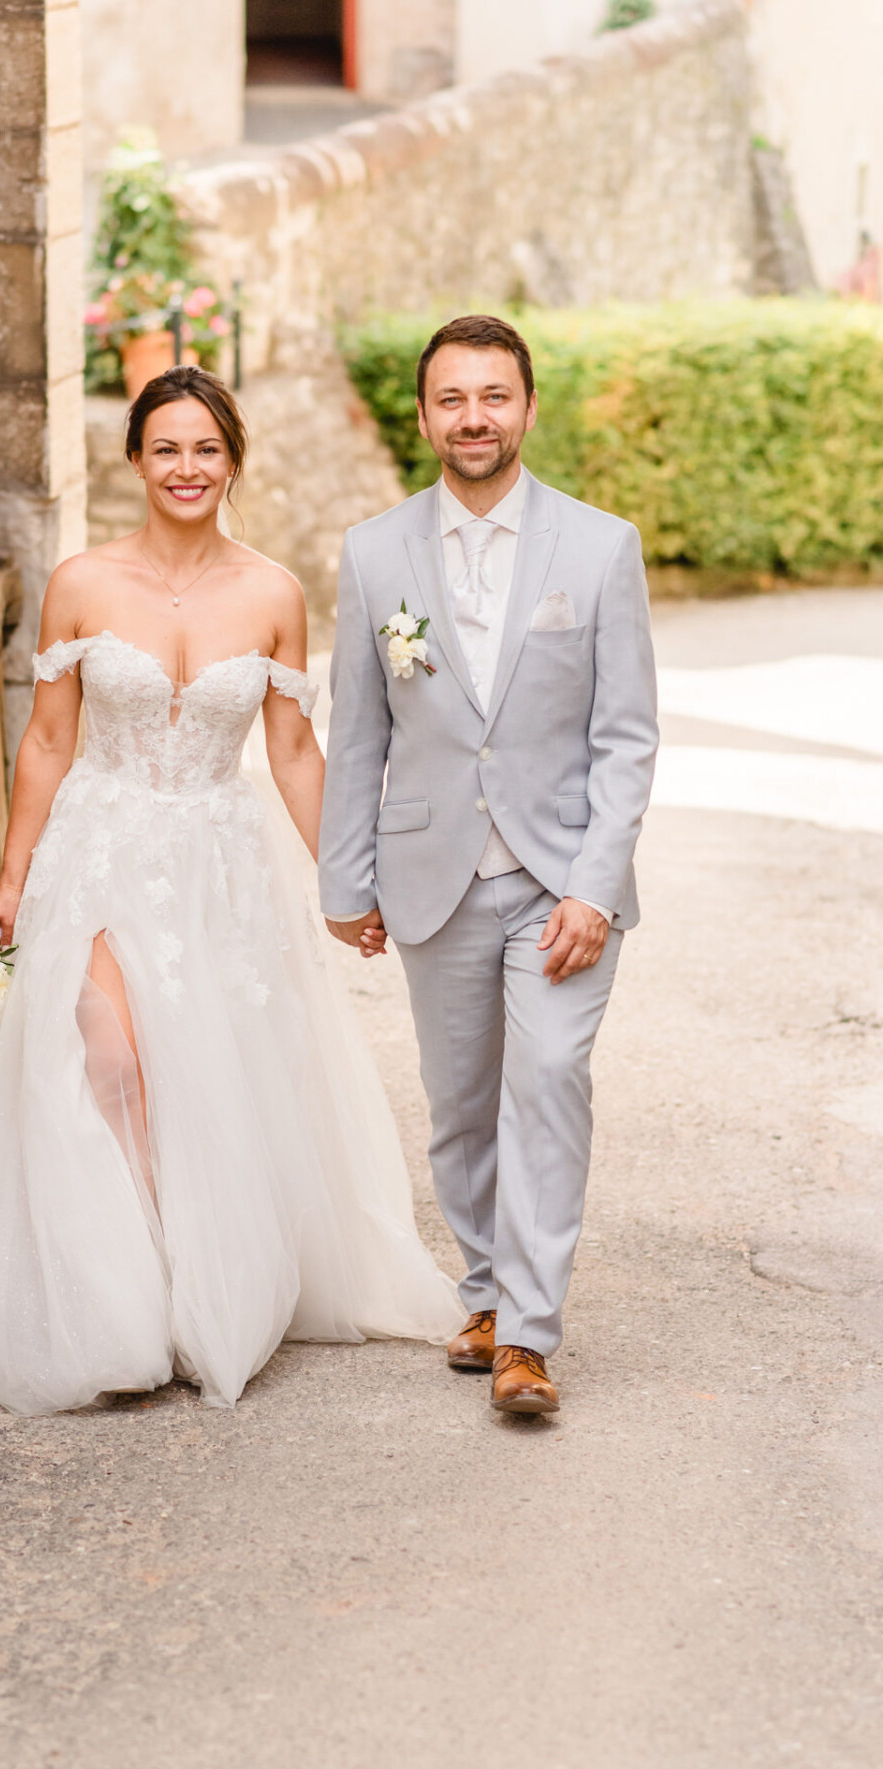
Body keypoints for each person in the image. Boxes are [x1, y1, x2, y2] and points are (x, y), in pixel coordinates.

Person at [0, 365, 462, 1416]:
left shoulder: (273, 593)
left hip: (220, 861)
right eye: (166, 449)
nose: (186, 468)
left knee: (212, 1070)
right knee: (114, 1059)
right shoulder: (82, 581)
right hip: (100, 849)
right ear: (136, 460)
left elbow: (294, 753)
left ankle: (209, 1285)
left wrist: (349, 881)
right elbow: (47, 738)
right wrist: (12, 874)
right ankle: (133, 1293)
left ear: (232, 460)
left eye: (205, 449)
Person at [319, 316, 658, 1416]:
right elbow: (360, 731)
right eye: (453, 398)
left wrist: (595, 886)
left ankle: (526, 1336)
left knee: (548, 1082)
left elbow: (627, 737)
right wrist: (346, 881)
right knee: (461, 1106)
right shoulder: (374, 552)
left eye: (494, 395)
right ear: (425, 417)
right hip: (433, 875)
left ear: (528, 407)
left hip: (561, 883)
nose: (475, 417)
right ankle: (483, 1293)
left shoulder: (600, 547)